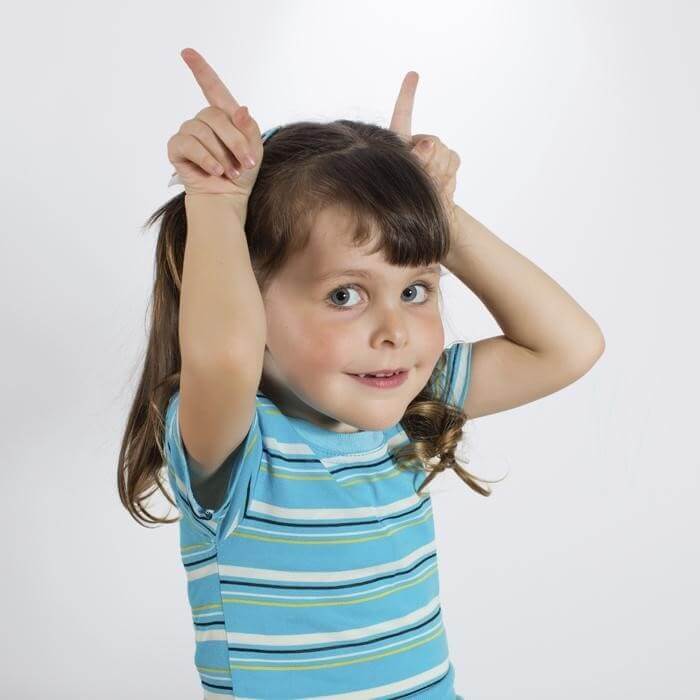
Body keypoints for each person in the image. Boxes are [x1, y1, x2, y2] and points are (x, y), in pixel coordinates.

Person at [117, 48, 604, 700]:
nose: (394, 332)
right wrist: (216, 202)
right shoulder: (231, 448)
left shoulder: (410, 405)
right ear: (246, 299)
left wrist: (438, 216)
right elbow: (226, 354)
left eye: (415, 290)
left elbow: (569, 346)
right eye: (345, 295)